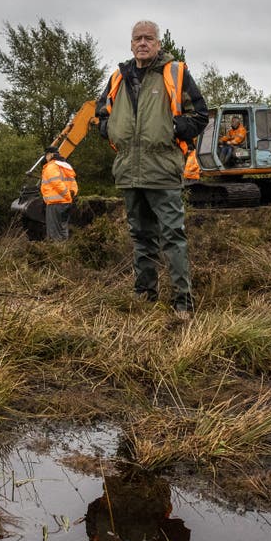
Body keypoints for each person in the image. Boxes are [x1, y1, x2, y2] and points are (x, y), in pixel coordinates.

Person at [95, 20, 208, 320]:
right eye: (137, 39)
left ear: (158, 43)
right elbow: (100, 115)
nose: (142, 43)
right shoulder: (119, 77)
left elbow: (201, 115)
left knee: (173, 236)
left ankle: (182, 302)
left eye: (149, 38)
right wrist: (112, 131)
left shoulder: (175, 72)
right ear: (131, 44)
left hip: (162, 171)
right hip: (129, 172)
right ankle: (144, 296)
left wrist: (173, 128)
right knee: (140, 237)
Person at [39, 146, 78, 241]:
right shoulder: (66, 166)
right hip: (66, 203)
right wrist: (71, 195)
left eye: (46, 155)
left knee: (54, 233)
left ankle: (57, 253)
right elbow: (73, 183)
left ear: (51, 155)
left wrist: (66, 195)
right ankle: (65, 251)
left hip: (55, 203)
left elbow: (56, 182)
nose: (46, 158)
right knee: (63, 230)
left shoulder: (51, 167)